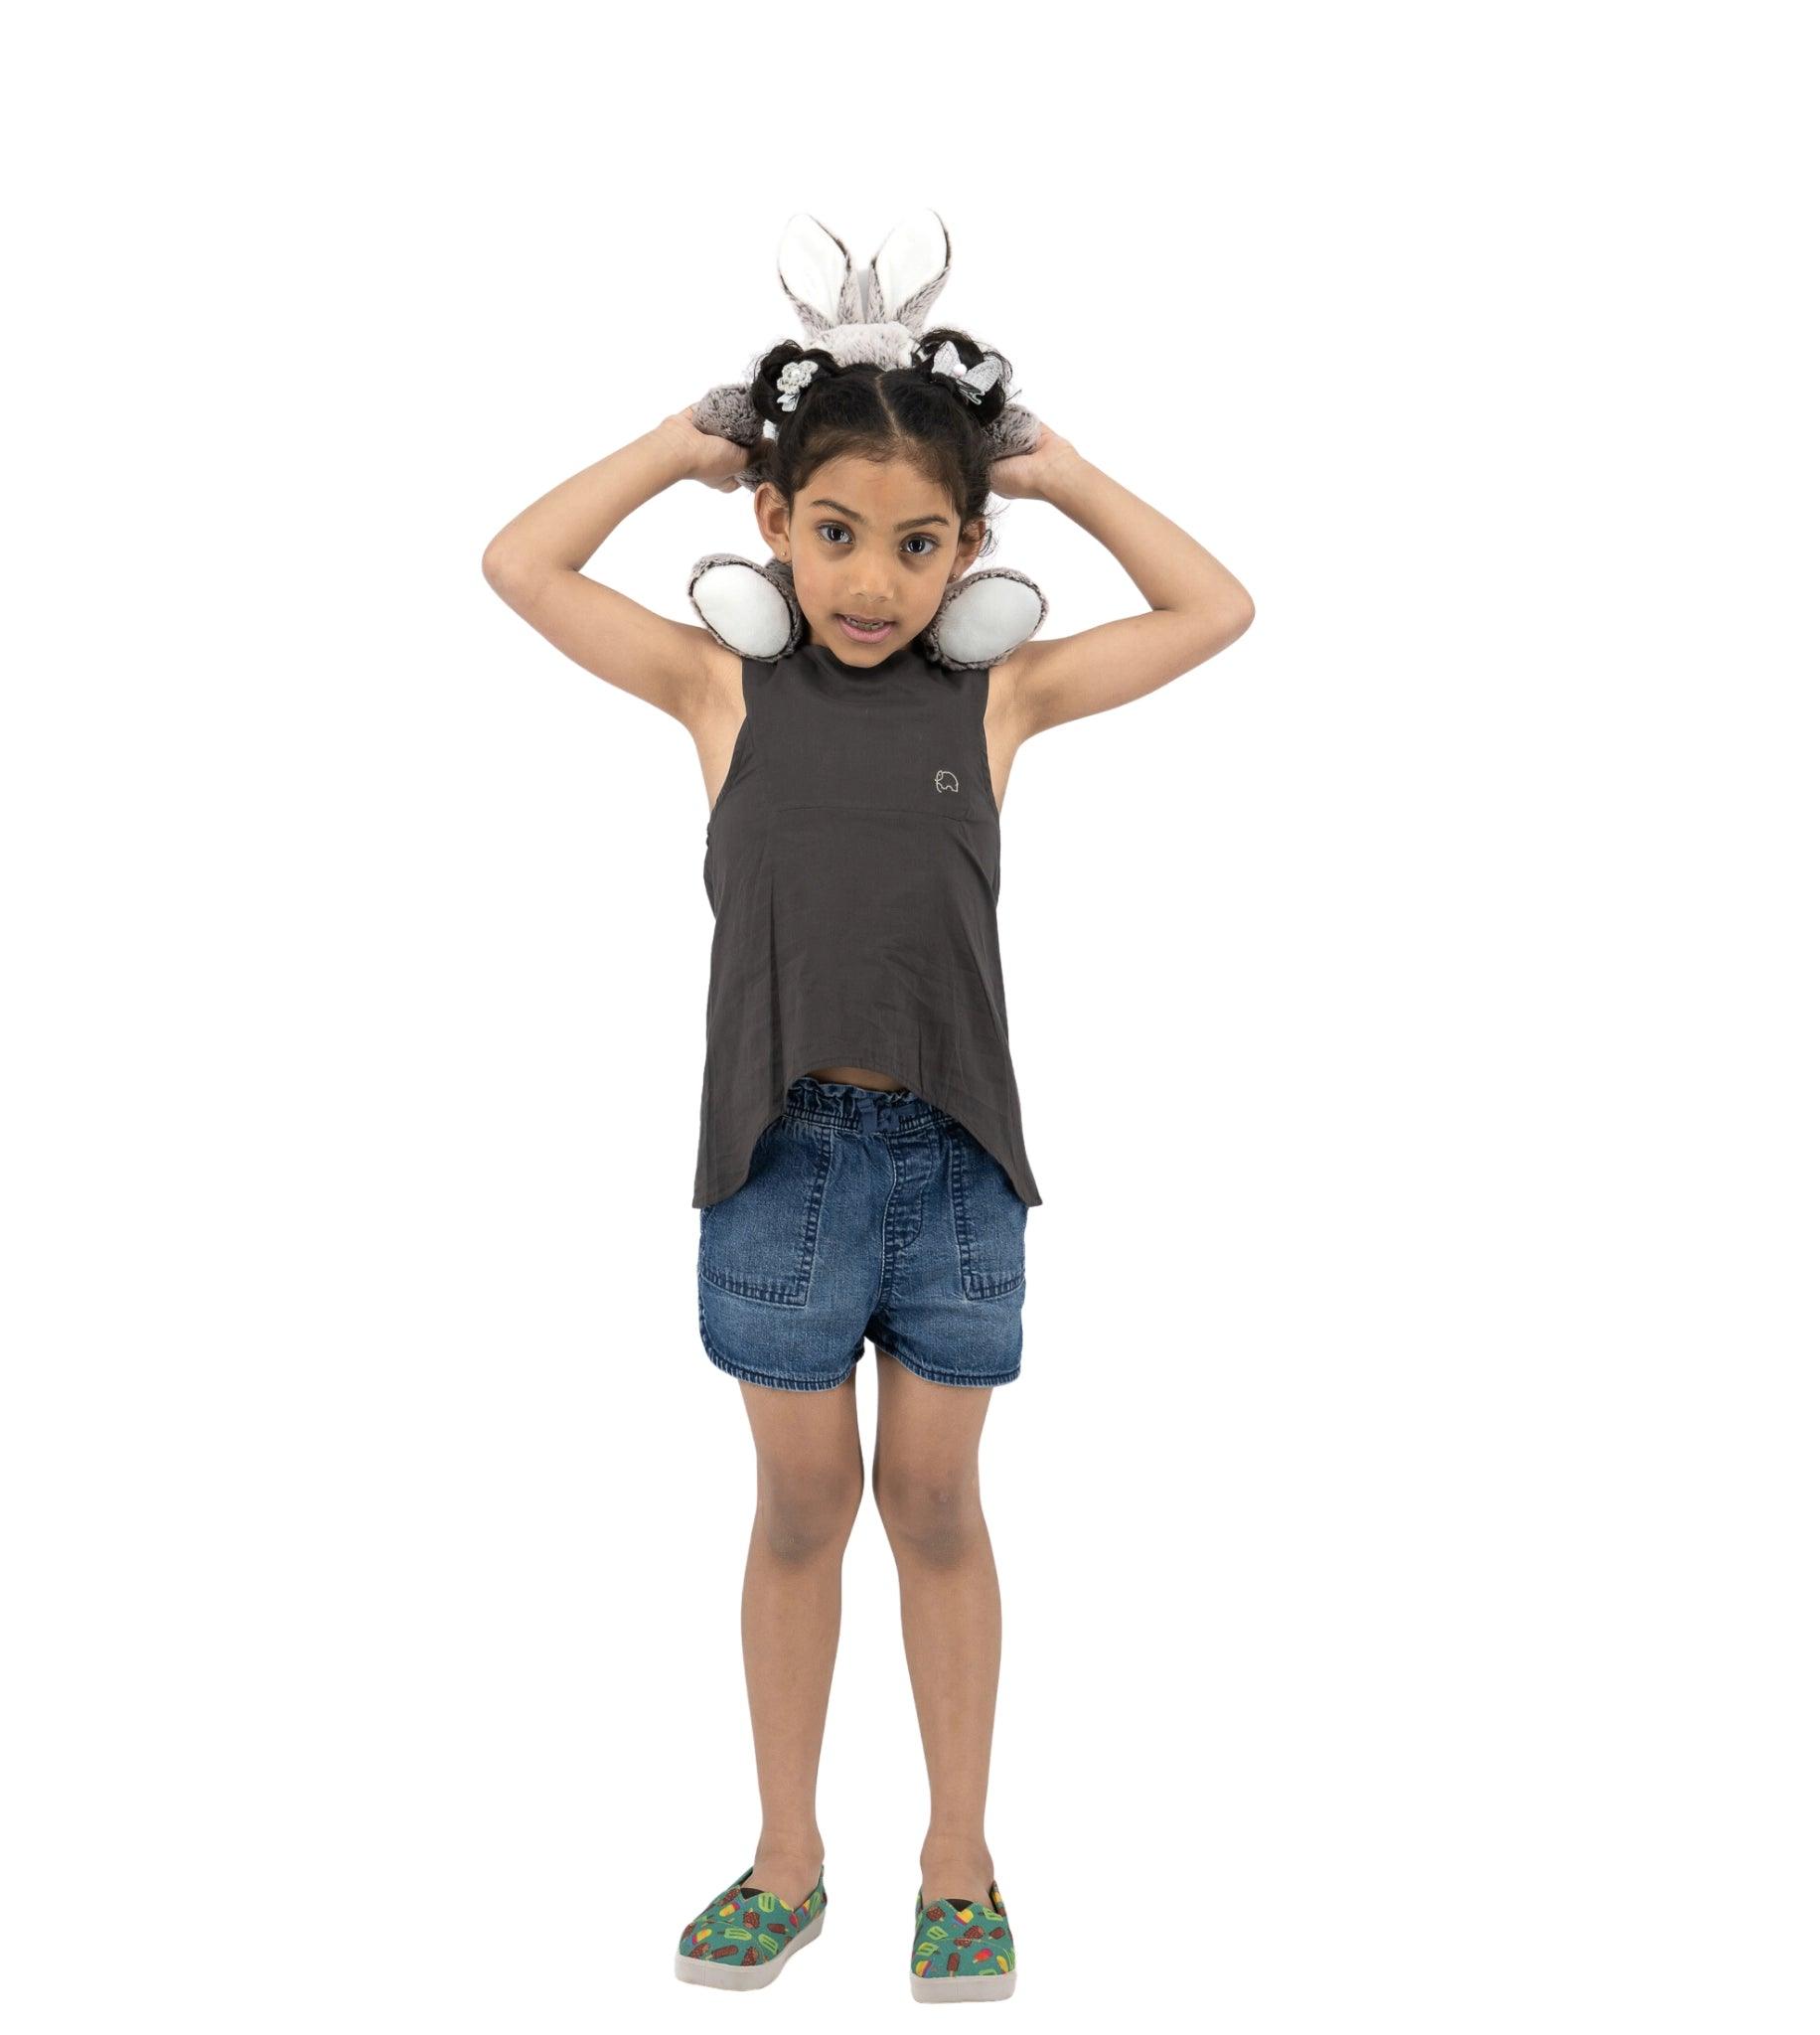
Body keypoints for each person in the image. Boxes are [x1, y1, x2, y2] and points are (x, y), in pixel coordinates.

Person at [482, 329, 1254, 1999]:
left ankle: (958, 1865)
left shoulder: (1001, 693)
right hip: (779, 1162)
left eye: (921, 544)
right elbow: (518, 564)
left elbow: (1218, 611)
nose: (873, 578)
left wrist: (1053, 471)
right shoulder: (720, 684)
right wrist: (673, 444)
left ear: (972, 555)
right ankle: (788, 1859)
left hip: (956, 1163)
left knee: (936, 1507)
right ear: (771, 522)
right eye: (833, 531)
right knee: (797, 1513)